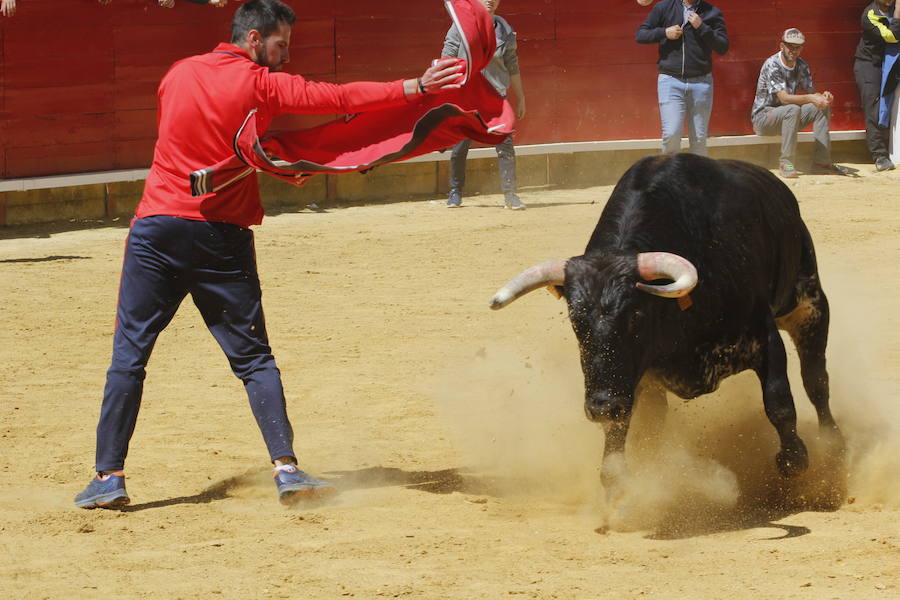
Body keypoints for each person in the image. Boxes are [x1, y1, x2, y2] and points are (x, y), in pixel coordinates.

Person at [74, 0, 463, 510]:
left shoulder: (178, 74)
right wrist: (417, 87)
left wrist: (265, 156)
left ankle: (108, 477)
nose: (286, 55)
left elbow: (210, 140)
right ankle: (286, 469)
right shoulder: (261, 83)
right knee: (254, 359)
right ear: (254, 40)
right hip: (219, 237)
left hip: (157, 229)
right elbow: (340, 97)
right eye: (281, 45)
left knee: (128, 356)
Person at [443, 0, 526, 210]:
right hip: (467, 96)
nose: (489, 0)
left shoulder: (504, 29)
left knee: (505, 145)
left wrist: (521, 96)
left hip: (495, 96)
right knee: (460, 147)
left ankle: (510, 194)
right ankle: (455, 192)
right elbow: (447, 57)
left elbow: (512, 64)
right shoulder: (460, 25)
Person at [751, 28, 847, 178]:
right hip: (764, 119)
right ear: (781, 46)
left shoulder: (801, 65)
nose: (793, 50)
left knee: (820, 108)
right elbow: (784, 98)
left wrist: (823, 97)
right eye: (790, 46)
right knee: (792, 109)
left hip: (788, 118)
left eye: (797, 47)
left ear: (802, 48)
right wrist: (811, 98)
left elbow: (812, 93)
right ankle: (786, 162)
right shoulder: (772, 64)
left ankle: (821, 162)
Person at [636, 0, 728, 156]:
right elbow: (641, 35)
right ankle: (670, 178)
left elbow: (722, 47)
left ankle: (696, 179)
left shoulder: (712, 12)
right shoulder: (664, 7)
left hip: (701, 82)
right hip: (671, 81)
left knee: (698, 139)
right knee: (671, 134)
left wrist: (702, 27)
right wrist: (664, 33)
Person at [855, 0, 900, 171]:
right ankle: (879, 156)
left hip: (888, 64)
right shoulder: (869, 15)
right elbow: (892, 36)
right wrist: (898, 13)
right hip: (869, 65)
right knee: (873, 108)